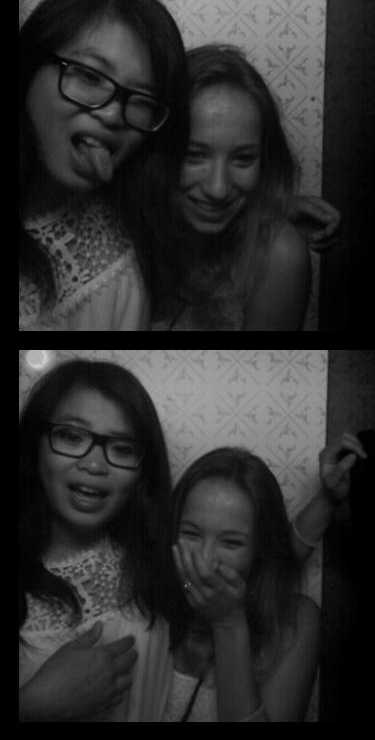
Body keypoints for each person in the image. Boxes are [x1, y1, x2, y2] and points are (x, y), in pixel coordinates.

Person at [19, 0, 188, 330]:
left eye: (141, 100)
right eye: (89, 76)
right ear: (29, 68)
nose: (112, 115)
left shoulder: (116, 271)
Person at [19, 359, 174, 720]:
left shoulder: (161, 563)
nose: (94, 465)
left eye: (122, 448)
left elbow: (248, 577)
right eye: (72, 437)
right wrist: (32, 706)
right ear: (34, 445)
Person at [148, 45, 310, 330]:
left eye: (243, 159)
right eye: (193, 155)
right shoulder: (121, 232)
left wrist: (273, 207)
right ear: (157, 152)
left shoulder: (277, 256)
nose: (218, 189)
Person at [165, 448, 320, 721]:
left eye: (231, 543)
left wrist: (228, 623)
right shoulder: (151, 605)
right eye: (191, 534)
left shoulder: (294, 622)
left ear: (260, 548)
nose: (206, 561)